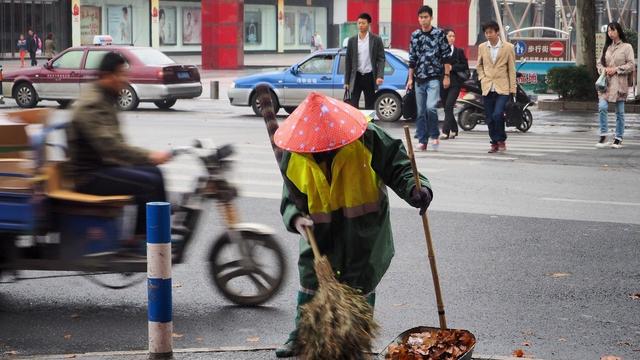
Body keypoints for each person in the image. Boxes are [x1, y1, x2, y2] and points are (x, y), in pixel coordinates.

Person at [274, 92, 433, 358]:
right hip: (319, 234)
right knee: (310, 283)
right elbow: (290, 197)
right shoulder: (295, 154)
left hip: (363, 233)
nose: (321, 149)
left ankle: (356, 340)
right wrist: (294, 217)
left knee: (360, 284)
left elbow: (400, 167)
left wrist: (417, 189)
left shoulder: (367, 138)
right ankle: (302, 336)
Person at [64, 52, 172, 248]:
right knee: (147, 183)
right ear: (106, 76)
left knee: (156, 173)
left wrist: (145, 160)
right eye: (121, 74)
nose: (125, 80)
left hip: (104, 166)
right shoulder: (92, 104)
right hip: (89, 176)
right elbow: (111, 146)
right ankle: (142, 241)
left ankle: (160, 231)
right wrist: (148, 155)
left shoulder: (105, 97)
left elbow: (116, 144)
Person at [406, 6, 451, 151]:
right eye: (421, 17)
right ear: (418, 19)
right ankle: (422, 139)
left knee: (431, 108)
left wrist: (446, 76)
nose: (423, 20)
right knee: (420, 112)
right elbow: (412, 59)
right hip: (419, 78)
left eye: (426, 17)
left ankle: (435, 135)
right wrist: (410, 79)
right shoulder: (415, 35)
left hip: (434, 77)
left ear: (431, 18)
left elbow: (446, 57)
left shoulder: (439, 34)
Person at [476, 20, 516, 153]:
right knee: (489, 118)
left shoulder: (508, 47)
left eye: (491, 32)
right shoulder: (482, 47)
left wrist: (512, 89)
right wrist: (482, 77)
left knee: (498, 114)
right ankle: (494, 142)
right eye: (486, 33)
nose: (488, 35)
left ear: (497, 32)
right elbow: (479, 65)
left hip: (502, 88)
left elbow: (511, 69)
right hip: (487, 87)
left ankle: (501, 140)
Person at [595, 22, 635, 149]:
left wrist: (616, 69)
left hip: (619, 84)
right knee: (602, 107)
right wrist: (604, 70)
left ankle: (618, 137)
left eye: (612, 30)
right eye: (608, 31)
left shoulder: (627, 47)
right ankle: (603, 135)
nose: (610, 33)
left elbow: (631, 65)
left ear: (618, 31)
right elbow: (599, 63)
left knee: (620, 112)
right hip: (606, 84)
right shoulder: (606, 47)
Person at [344, 13, 386, 110]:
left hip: (369, 76)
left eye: (363, 23)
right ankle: (355, 125)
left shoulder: (376, 40)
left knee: (370, 105)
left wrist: (380, 76)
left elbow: (381, 59)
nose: (361, 25)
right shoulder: (352, 40)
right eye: (359, 23)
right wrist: (346, 81)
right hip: (356, 77)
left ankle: (370, 125)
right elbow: (348, 61)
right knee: (353, 105)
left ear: (368, 24)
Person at [440, 29, 469, 140]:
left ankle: (445, 132)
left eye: (453, 36)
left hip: (455, 83)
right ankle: (454, 129)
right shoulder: (439, 51)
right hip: (442, 82)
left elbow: (465, 66)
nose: (452, 38)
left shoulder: (458, 51)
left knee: (449, 106)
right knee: (446, 107)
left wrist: (453, 67)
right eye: (449, 36)